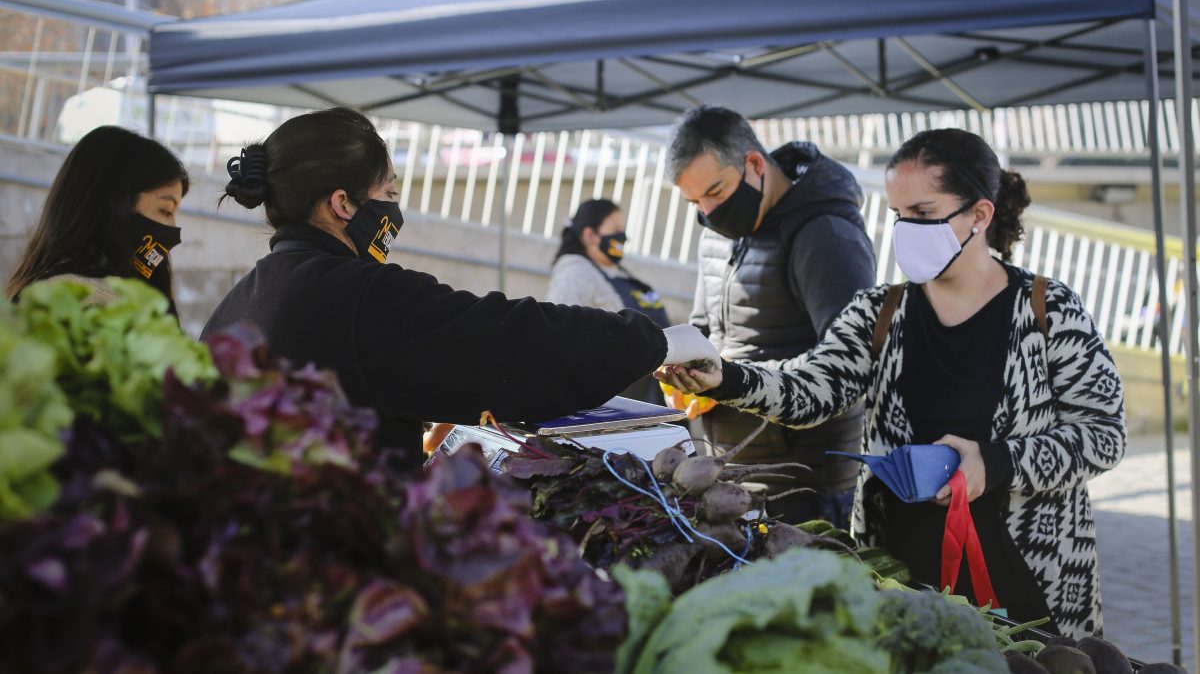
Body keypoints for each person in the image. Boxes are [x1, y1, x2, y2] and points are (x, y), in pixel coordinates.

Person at [657, 127, 1126, 639]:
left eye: (923, 214)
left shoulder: (1048, 310)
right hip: (905, 572)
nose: (907, 230)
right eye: (898, 216)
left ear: (979, 215)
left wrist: (993, 463)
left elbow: (1103, 435)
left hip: (1032, 574)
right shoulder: (881, 312)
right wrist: (725, 378)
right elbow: (812, 389)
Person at [203, 108, 716, 469]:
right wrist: (656, 342)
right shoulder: (356, 293)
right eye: (388, 193)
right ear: (342, 204)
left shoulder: (235, 307)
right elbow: (508, 339)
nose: (393, 210)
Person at [667, 105, 877, 527]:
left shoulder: (825, 237)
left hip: (806, 485)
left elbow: (848, 371)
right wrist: (686, 376)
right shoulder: (716, 234)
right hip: (728, 473)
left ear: (755, 164)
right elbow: (706, 325)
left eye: (716, 193)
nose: (707, 212)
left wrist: (729, 380)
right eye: (695, 201)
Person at [7, 126, 188, 312]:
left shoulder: (38, 298)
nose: (173, 227)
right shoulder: (75, 300)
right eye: (166, 210)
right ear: (114, 202)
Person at [546, 199, 670, 404]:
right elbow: (559, 336)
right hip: (614, 402)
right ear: (590, 235)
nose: (623, 237)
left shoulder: (615, 272)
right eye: (616, 229)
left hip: (649, 394)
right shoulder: (574, 273)